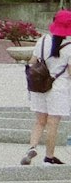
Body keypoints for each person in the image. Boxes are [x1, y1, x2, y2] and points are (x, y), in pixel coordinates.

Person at [25, 10, 71, 165]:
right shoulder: (69, 47)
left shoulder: (43, 40)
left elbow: (32, 61)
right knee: (53, 123)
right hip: (58, 88)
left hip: (39, 86)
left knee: (40, 121)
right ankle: (49, 157)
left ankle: (32, 147)